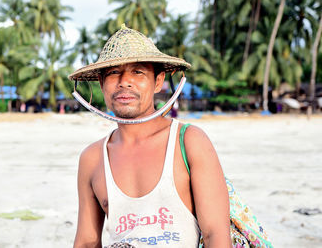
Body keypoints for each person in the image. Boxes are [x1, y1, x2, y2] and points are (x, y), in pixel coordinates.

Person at [70, 25, 230, 248]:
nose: (124, 81)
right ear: (101, 83)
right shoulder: (92, 158)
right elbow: (87, 242)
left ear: (158, 81)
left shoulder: (188, 142)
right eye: (114, 72)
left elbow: (216, 235)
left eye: (138, 72)